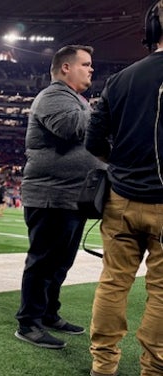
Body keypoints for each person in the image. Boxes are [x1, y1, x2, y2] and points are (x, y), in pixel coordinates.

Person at [85, 2, 163, 374]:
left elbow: (94, 139)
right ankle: (154, 368)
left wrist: (124, 162)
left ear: (150, 33)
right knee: (162, 293)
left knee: (113, 283)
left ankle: (103, 365)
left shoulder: (121, 78)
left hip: (120, 199)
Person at [14, 45, 103, 349]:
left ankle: (49, 313)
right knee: (43, 261)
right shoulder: (53, 95)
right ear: (66, 68)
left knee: (60, 262)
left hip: (71, 196)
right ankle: (28, 323)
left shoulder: (76, 100)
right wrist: (104, 111)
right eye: (85, 64)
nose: (91, 69)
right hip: (50, 194)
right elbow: (68, 128)